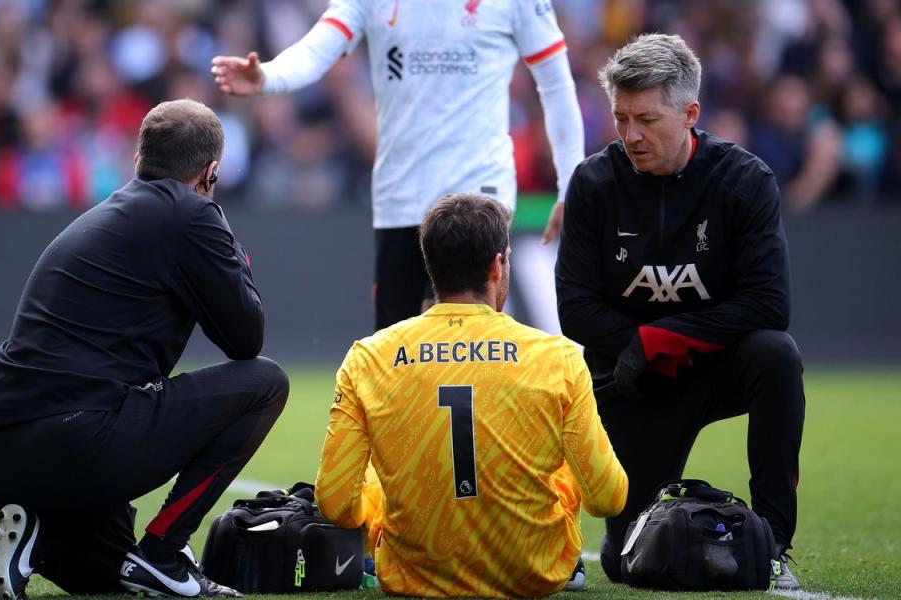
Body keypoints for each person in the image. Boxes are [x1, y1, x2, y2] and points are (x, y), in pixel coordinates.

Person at [0, 98, 289, 599]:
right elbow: (246, 338)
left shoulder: (105, 215)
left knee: (109, 575)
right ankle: (165, 550)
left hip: (6, 458)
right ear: (210, 172)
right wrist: (221, 225)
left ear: (139, 160)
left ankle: (33, 534)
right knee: (265, 382)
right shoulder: (191, 215)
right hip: (81, 442)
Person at [554, 34, 805, 589]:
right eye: (621, 118)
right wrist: (642, 348)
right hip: (632, 382)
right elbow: (575, 310)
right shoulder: (594, 183)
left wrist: (663, 339)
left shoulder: (745, 181)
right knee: (630, 565)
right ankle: (597, 533)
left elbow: (770, 304)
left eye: (646, 118)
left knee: (776, 355)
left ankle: (773, 543)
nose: (631, 135)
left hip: (715, 369)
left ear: (690, 113)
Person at [313, 193, 628, 597]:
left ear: (431, 267)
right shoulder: (557, 356)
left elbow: (335, 502)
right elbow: (608, 497)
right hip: (533, 574)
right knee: (563, 462)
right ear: (497, 266)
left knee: (374, 475)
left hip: (414, 577)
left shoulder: (369, 357)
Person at [211, 0, 586, 330]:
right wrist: (267, 77)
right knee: (398, 356)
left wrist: (571, 185)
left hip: (478, 191)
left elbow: (556, 84)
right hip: (401, 197)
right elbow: (317, 48)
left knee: (462, 337)